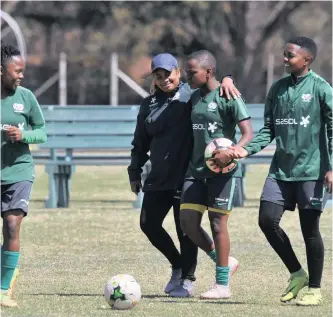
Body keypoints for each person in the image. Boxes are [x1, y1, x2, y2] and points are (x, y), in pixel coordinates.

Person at [226, 36, 332, 306]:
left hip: (312, 171)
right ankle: (297, 274)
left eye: (290, 56)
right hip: (280, 171)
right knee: (266, 220)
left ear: (306, 60)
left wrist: (331, 168)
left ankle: (315, 289)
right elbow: (269, 130)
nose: (284, 60)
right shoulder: (277, 89)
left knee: (310, 231)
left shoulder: (321, 89)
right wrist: (244, 149)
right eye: (284, 55)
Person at [128, 53, 241, 297]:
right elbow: (140, 141)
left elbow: (210, 81)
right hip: (158, 177)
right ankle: (179, 265)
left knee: (185, 230)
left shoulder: (191, 95)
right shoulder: (148, 104)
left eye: (168, 74)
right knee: (148, 224)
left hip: (187, 175)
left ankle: (188, 280)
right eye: (158, 75)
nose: (163, 79)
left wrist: (228, 79)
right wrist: (134, 170)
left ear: (178, 73)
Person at [179, 50, 253, 300]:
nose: (188, 76)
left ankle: (222, 285)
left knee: (218, 224)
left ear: (208, 72)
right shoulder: (192, 97)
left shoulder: (228, 94)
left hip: (223, 170)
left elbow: (247, 134)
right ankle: (225, 262)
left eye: (192, 72)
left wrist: (232, 152)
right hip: (195, 169)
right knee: (188, 223)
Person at [1, 44, 47, 307]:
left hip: (19, 172)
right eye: (16, 71)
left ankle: (3, 289)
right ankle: (7, 267)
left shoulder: (26, 97)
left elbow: (41, 131)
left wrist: (24, 135)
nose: (21, 75)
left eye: (23, 71)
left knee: (11, 226)